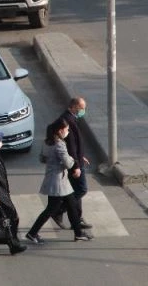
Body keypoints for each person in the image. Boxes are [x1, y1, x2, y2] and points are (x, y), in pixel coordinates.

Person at [25, 119, 94, 245]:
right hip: (58, 181)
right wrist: (73, 159)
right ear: (60, 130)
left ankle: (78, 233)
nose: (67, 132)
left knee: (72, 205)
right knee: (51, 209)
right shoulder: (59, 144)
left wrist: (54, 161)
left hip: (56, 180)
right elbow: (68, 163)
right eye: (67, 130)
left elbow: (42, 158)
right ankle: (32, 233)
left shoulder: (47, 142)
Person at [52, 97, 92, 231]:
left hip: (77, 160)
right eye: (82, 108)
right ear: (74, 106)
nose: (83, 111)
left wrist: (81, 157)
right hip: (74, 164)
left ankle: (77, 218)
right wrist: (76, 165)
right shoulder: (67, 120)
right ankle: (59, 210)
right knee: (82, 189)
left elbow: (75, 143)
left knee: (75, 190)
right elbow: (70, 146)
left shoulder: (72, 118)